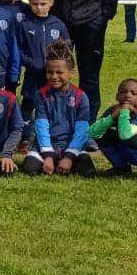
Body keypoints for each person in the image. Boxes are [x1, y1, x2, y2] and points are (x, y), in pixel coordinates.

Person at [24, 43, 94, 178]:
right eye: (49, 72)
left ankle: (65, 161)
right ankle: (53, 161)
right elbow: (41, 126)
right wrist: (48, 155)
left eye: (59, 72)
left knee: (88, 172)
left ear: (71, 74)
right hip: (48, 143)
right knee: (29, 168)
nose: (54, 76)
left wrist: (69, 156)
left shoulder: (81, 97)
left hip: (70, 143)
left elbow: (82, 130)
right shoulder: (41, 95)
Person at [90, 77, 137, 185]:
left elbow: (126, 135)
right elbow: (93, 132)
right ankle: (121, 168)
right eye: (123, 92)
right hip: (128, 148)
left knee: (134, 138)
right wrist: (111, 118)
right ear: (117, 96)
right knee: (103, 135)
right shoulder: (114, 110)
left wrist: (125, 111)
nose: (127, 95)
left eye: (133, 93)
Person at [15, 0, 69, 118]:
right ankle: (26, 136)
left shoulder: (58, 25)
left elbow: (67, 48)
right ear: (30, 3)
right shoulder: (25, 25)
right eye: (35, 4)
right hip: (33, 73)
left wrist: (59, 65)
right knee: (28, 103)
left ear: (51, 2)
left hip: (54, 74)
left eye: (43, 4)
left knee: (53, 104)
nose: (39, 8)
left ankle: (53, 132)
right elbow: (18, 50)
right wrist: (31, 63)